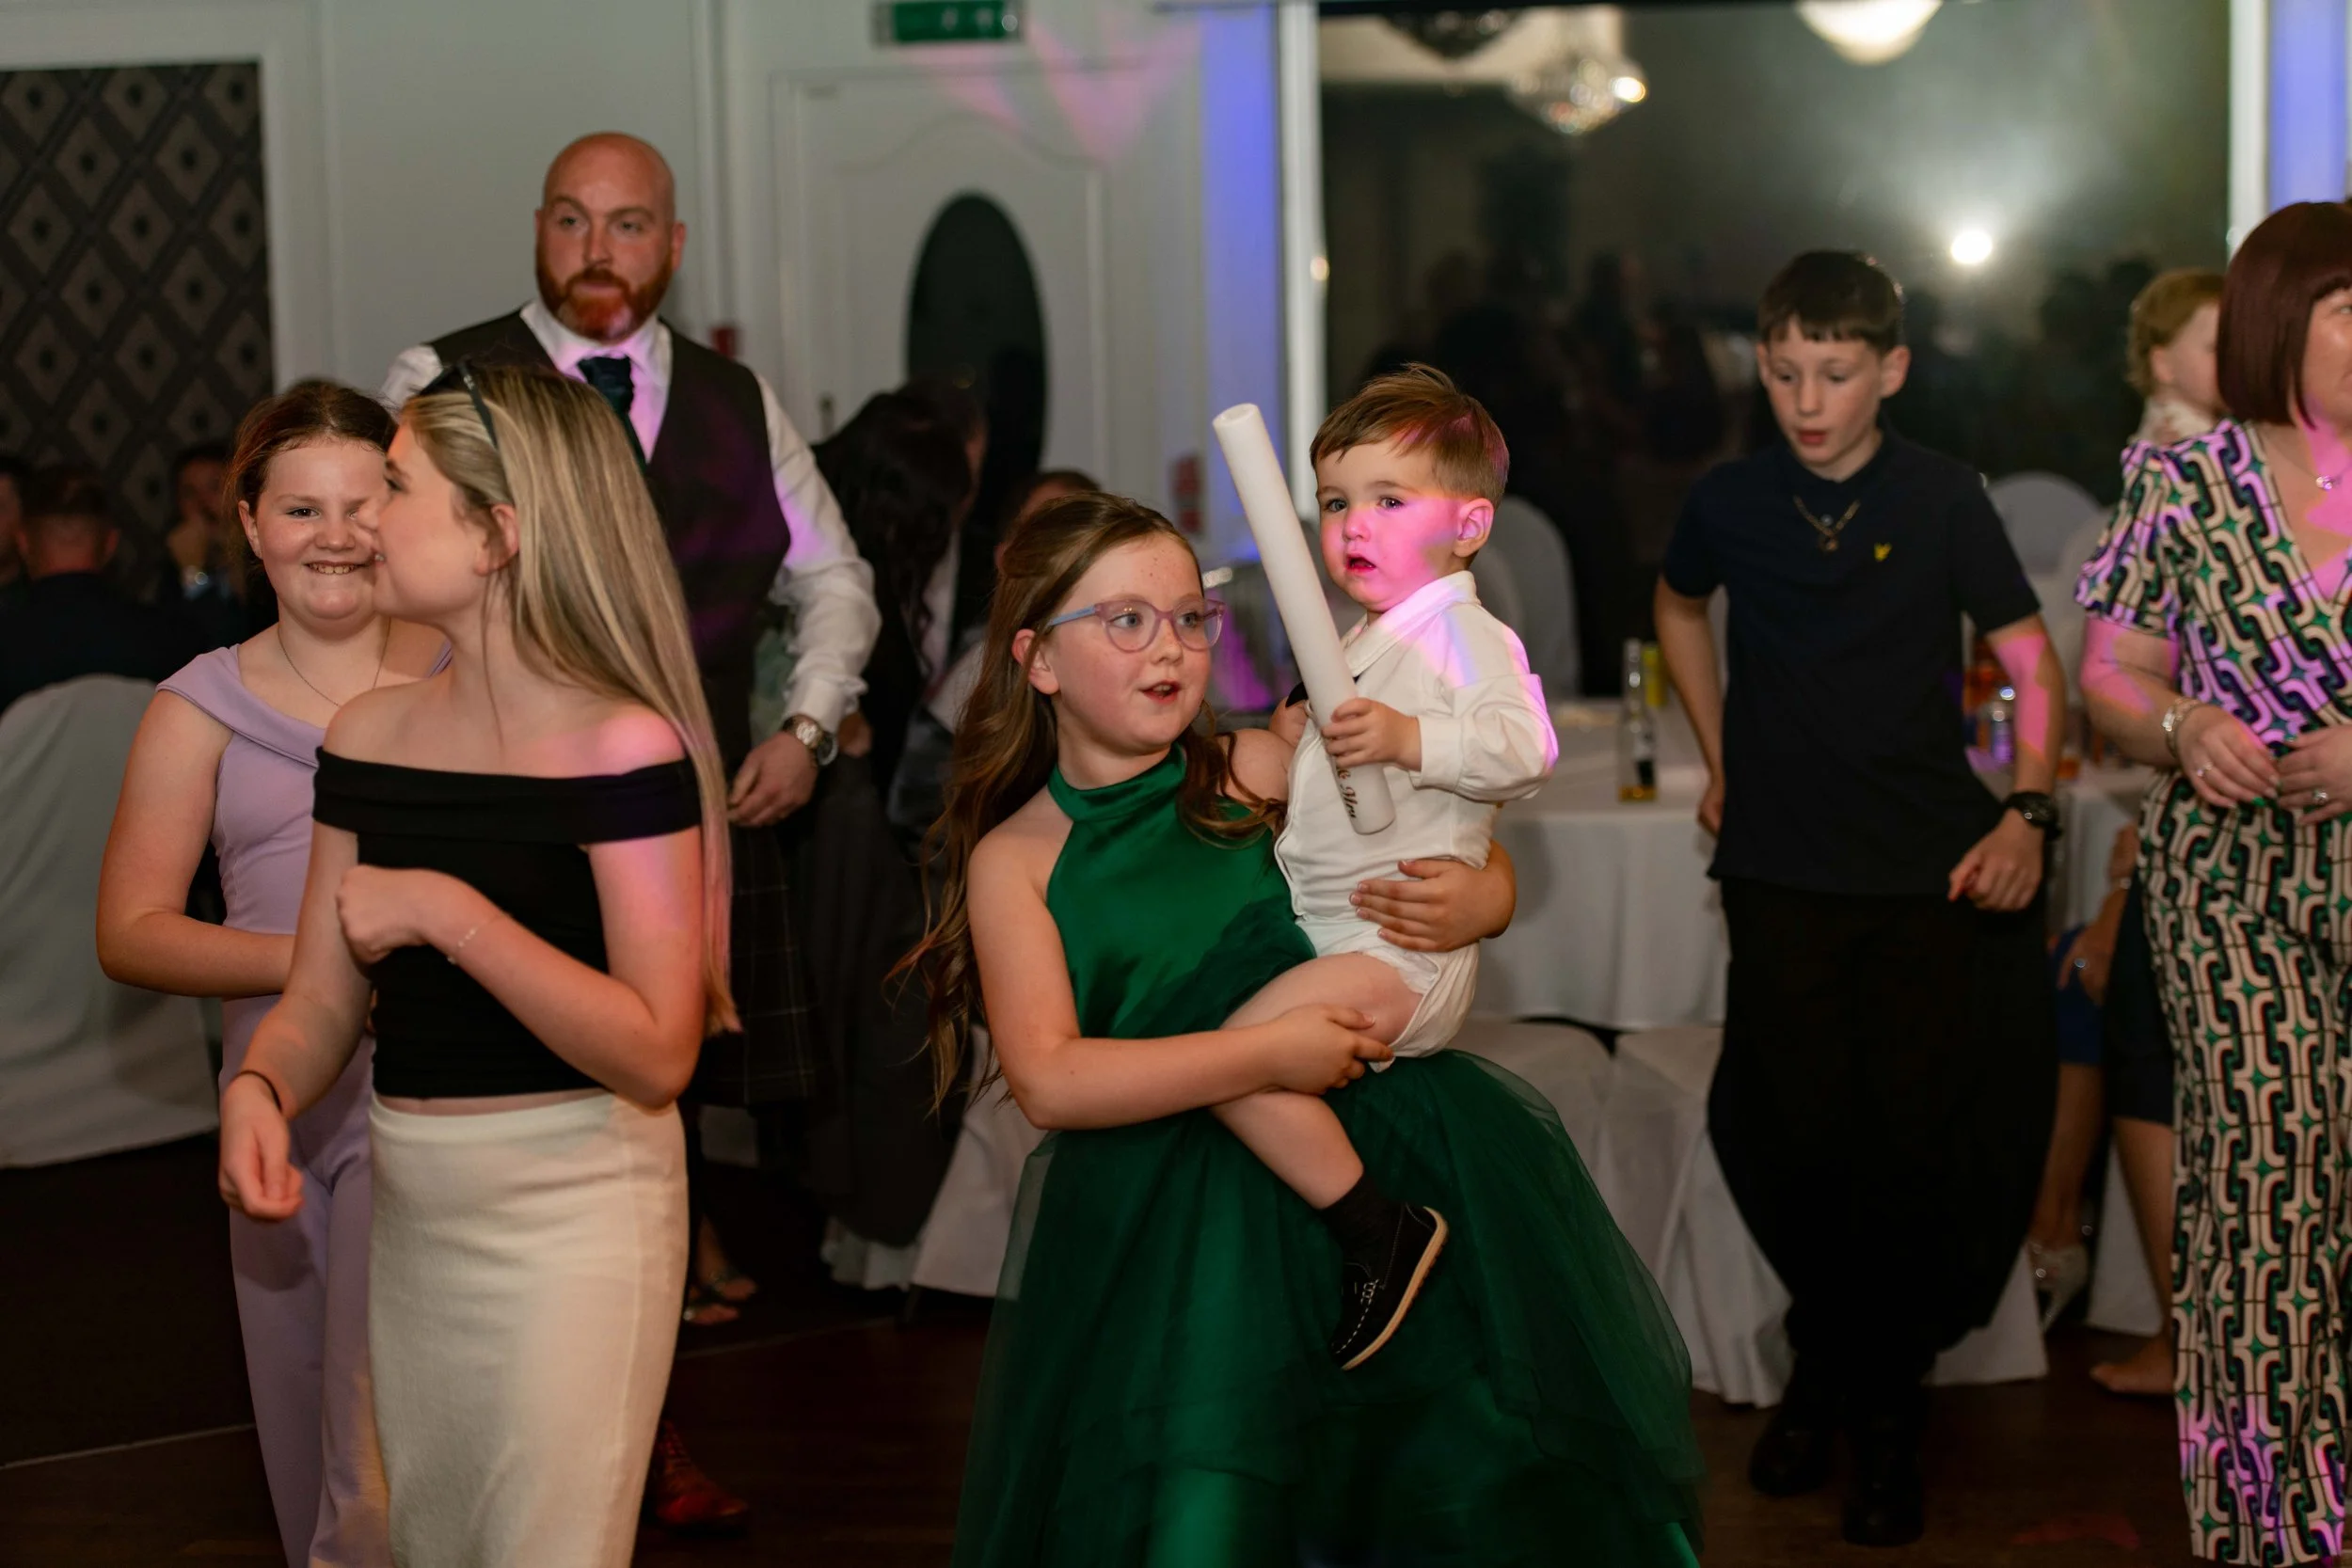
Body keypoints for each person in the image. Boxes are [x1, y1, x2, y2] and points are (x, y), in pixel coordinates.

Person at [906, 490, 1702, 1565]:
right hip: (1165, 1220)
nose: (1170, 646)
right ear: (1038, 657)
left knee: (1444, 1475)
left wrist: (1488, 896)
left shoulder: (1255, 770)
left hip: (1370, 1146)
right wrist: (1264, 1054)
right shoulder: (1018, 858)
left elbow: (1431, 836)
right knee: (1208, 1499)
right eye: (1126, 619)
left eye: (1190, 617)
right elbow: (1049, 1078)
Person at [382, 130, 879, 1525]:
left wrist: (804, 728)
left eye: (629, 224)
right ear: (536, 227)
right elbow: (384, 575)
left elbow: (836, 578)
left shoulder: (734, 397)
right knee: (543, 1083)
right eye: (571, 220)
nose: (597, 252)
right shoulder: (441, 377)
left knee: (658, 1100)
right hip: (507, 807)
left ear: (674, 242)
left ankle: (628, 1421)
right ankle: (561, 1427)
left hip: (690, 810)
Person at [215, 365, 731, 1567]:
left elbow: (658, 1050)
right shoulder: (369, 736)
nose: (362, 519)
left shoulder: (620, 746)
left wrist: (451, 912)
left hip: (577, 1208)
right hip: (417, 1202)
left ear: (497, 534)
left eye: (395, 487)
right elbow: (321, 1000)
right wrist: (260, 1087)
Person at [1654, 250, 2064, 1549]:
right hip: (1777, 866)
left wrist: (2030, 809)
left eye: (1833, 374)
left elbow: (2031, 660)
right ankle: (1831, 1362)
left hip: (1921, 871)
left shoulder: (1943, 495)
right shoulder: (1728, 497)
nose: (1806, 401)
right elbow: (1677, 605)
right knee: (1790, 1137)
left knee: (1904, 1148)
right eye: (1784, 373)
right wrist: (1719, 756)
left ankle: (1878, 1407)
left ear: (1890, 368)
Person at [96, 383, 438, 1568]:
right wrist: (322, 964)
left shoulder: (464, 672)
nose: (335, 535)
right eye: (301, 508)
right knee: (304, 1426)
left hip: (437, 1080)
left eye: (363, 504)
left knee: (378, 1452)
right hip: (277, 1093)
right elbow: (132, 930)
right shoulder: (199, 706)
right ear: (249, 522)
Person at [2076, 200, 2352, 1564]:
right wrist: (2184, 724)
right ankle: (2270, 1523)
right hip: (2232, 887)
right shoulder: (2183, 481)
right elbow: (2110, 673)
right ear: (2280, 321)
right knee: (2263, 1196)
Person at [1234, 365, 1555, 1365]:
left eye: (1387, 500)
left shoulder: (1461, 632)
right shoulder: (1372, 637)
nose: (1351, 526)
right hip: (1344, 933)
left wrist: (1411, 738)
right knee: (1237, 1063)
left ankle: (1382, 1229)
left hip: (1399, 948)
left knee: (1234, 1061)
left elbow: (1526, 745)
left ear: (1469, 524)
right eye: (1335, 503)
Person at [2030, 264, 2227, 1398]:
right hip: (2186, 793)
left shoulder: (2216, 470)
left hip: (2205, 809)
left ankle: (2100, 1264)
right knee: (2112, 1004)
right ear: (2160, 361)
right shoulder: (2177, 477)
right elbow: (2117, 680)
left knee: (2123, 1013)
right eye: (2213, 340)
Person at [0, 465, 204, 716]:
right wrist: (196, 574)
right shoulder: (172, 640)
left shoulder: (7, 644)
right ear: (110, 544)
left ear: (23, 543)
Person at [157, 440, 252, 648]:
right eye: (189, 493)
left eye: (214, 487)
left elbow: (236, 643)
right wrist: (193, 571)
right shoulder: (175, 570)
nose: (202, 503)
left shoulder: (265, 565)